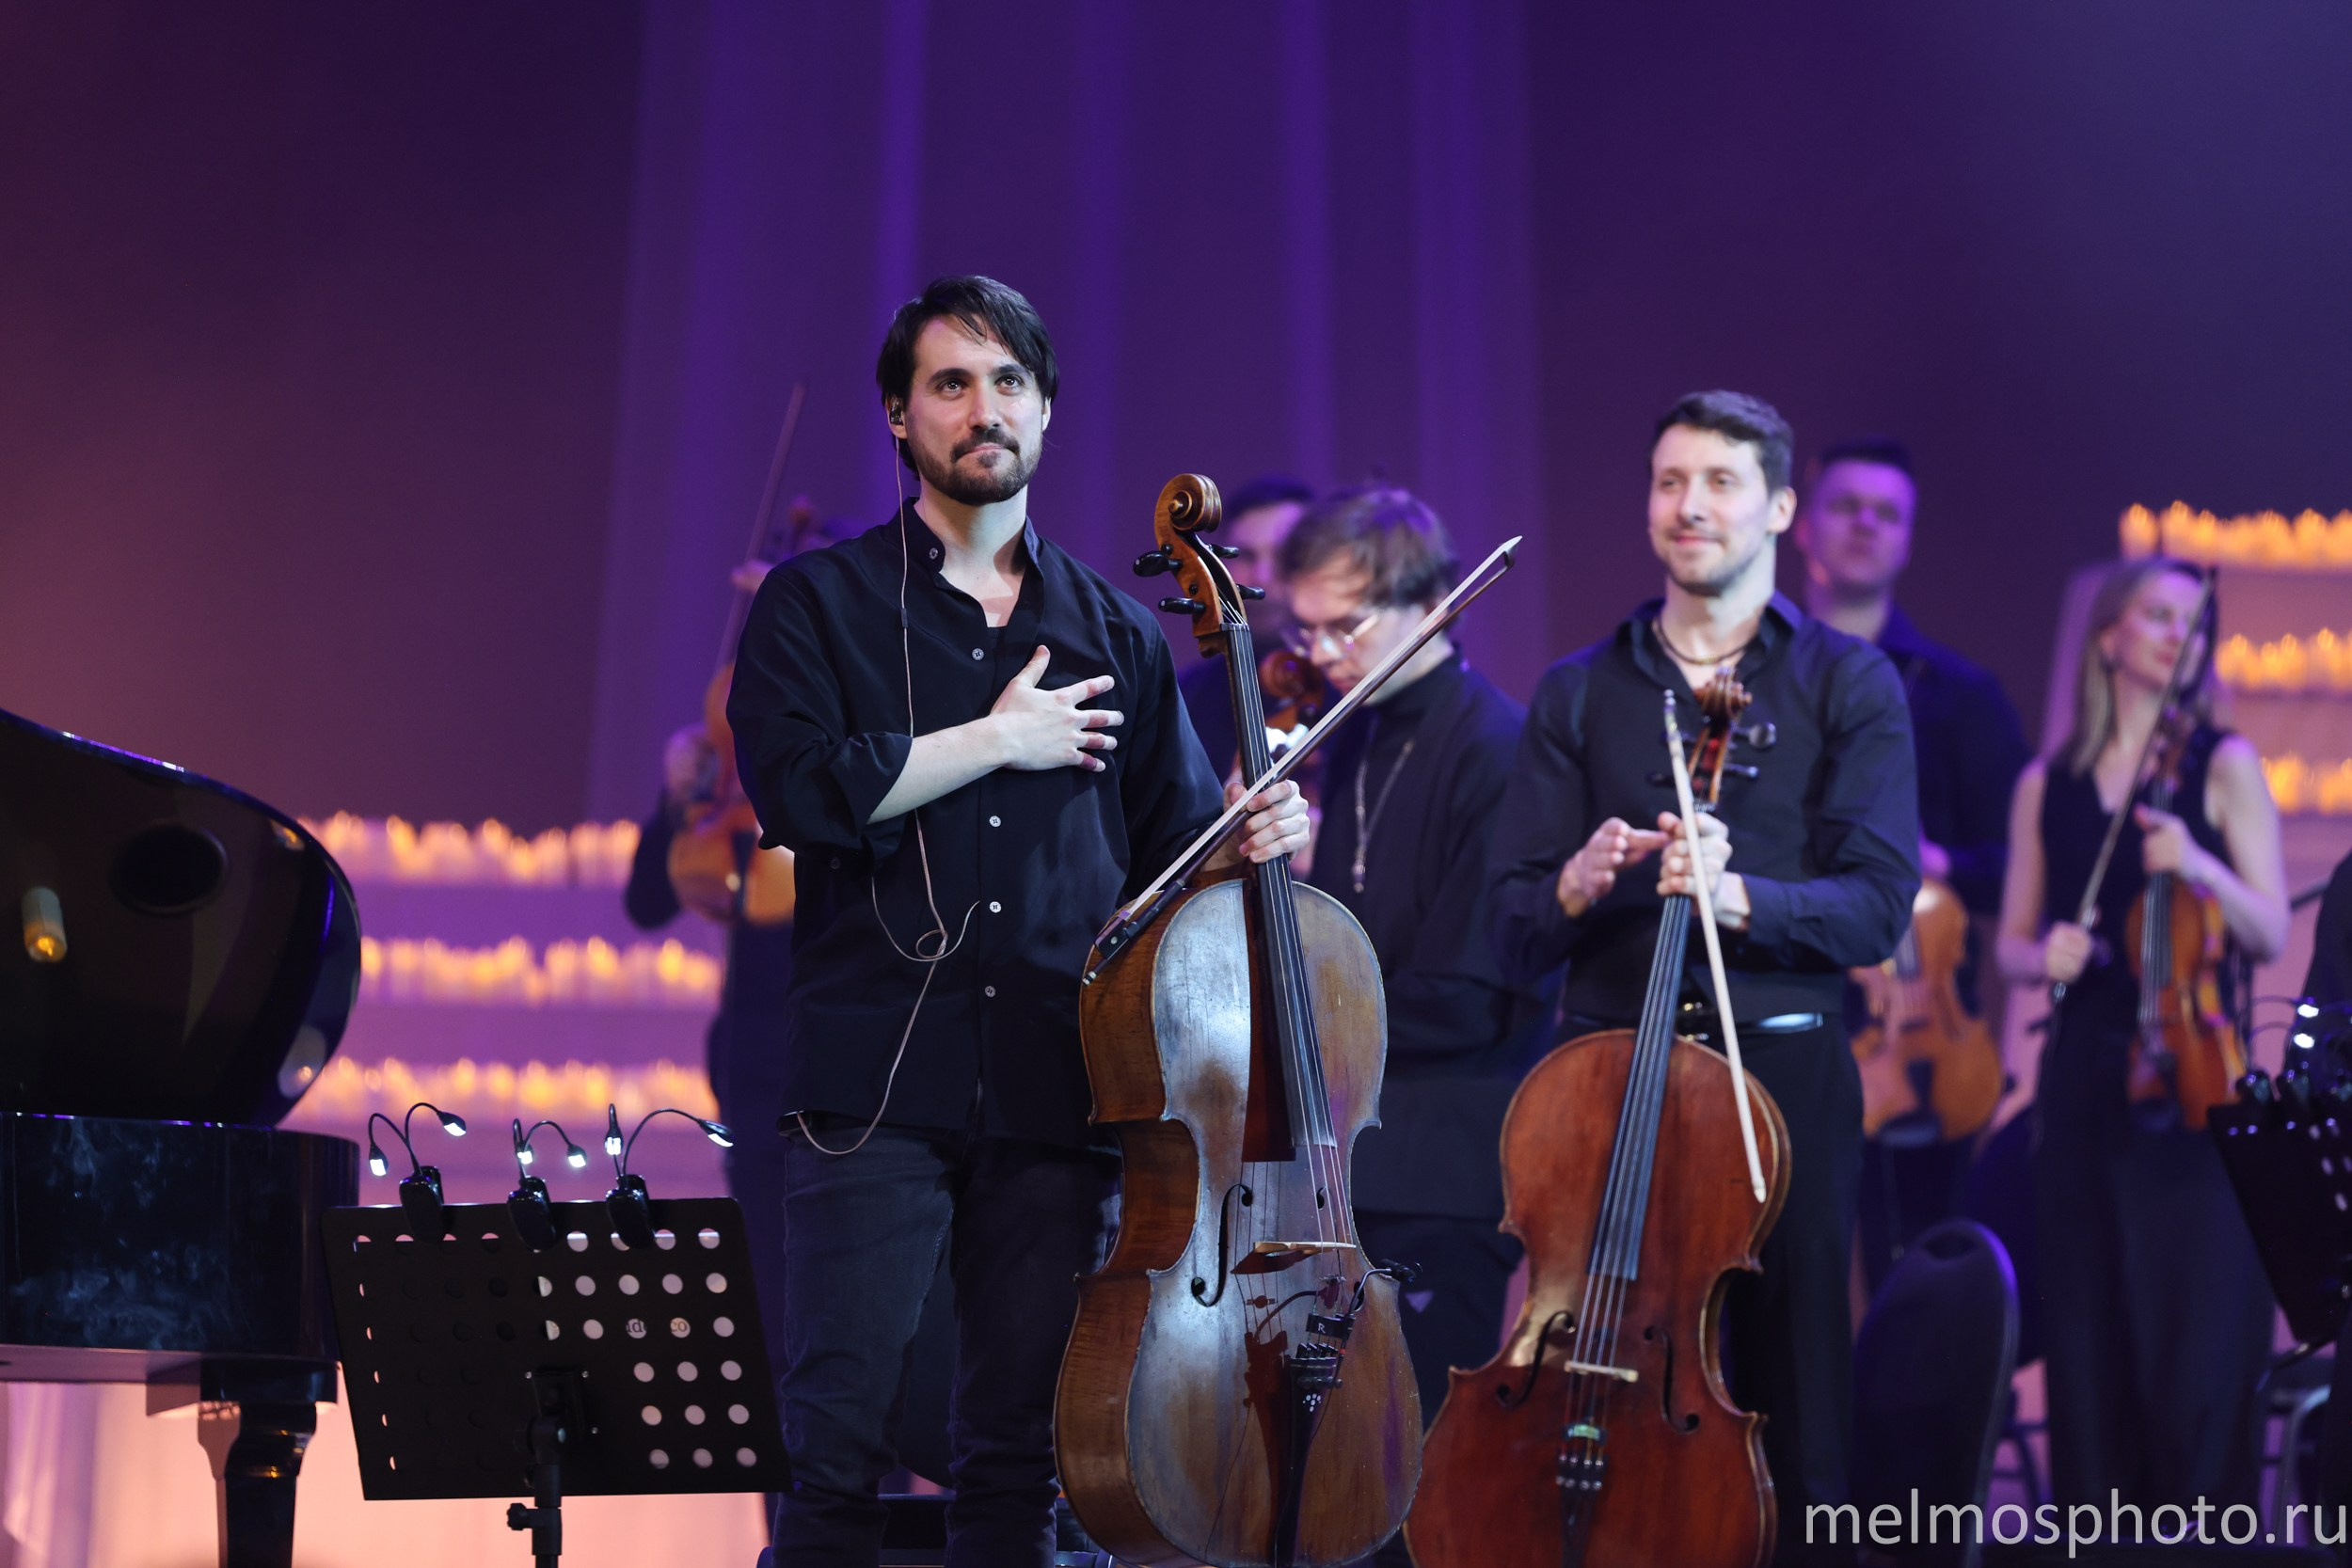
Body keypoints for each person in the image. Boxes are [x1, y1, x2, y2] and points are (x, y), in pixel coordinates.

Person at [723, 275, 1309, 1568]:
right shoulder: (812, 606)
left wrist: (1254, 843)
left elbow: (1166, 870)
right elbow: (804, 791)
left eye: (1007, 384)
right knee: (832, 1453)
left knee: (1015, 1461)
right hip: (873, 1077)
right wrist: (996, 740)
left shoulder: (1115, 628)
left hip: (1057, 1081)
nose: (981, 410)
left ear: (1044, 411)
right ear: (898, 414)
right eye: (949, 383)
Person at [1489, 389, 1919, 1560]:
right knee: (1598, 1361)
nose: (1690, 506)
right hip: (1603, 1079)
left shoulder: (1846, 685)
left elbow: (1877, 905)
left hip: (1775, 1075)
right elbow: (1512, 923)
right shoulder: (1582, 690)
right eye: (1671, 481)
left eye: (1721, 482)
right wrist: (1577, 881)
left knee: (1790, 1385)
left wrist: (1740, 898)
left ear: (1779, 506)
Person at [1276, 485, 1551, 1568]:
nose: (1325, 651)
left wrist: (1300, 994)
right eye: (1305, 627)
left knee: (1401, 1478)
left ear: (1434, 602)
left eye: (1348, 625)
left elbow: (1465, 990)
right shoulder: (1350, 738)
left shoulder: (1496, 749)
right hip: (1346, 1156)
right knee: (1317, 1478)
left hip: (1438, 1167)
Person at [1995, 556, 2288, 1510]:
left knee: (2190, 1352)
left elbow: (2270, 926)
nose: (2178, 634)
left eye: (2188, 623)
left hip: (2196, 1079)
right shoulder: (2051, 781)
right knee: (2091, 1336)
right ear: (2107, 635)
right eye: (2156, 616)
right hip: (2085, 1074)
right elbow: (2007, 942)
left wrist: (2197, 859)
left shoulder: (2223, 761)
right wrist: (2047, 953)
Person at [1792, 436, 2031, 1290]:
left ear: (1908, 539)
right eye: (1848, 505)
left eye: (1888, 513)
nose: (1867, 525)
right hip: (1789, 1014)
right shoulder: (1752, 680)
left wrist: (1942, 861)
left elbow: (2023, 868)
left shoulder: (1961, 695)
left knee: (1918, 1281)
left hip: (1924, 1040)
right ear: (1802, 527)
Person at [1176, 474, 1315, 782]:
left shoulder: (1354, 684)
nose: (1263, 576)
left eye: (1283, 555)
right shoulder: (1190, 698)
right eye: (1246, 556)